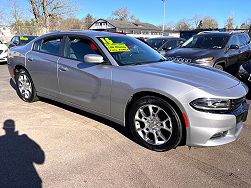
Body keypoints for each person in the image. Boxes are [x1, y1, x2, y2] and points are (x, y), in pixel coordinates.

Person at [0, 119, 45, 188]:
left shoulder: (1, 143)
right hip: (28, 182)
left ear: (4, 129)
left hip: (6, 183)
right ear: (14, 128)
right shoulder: (24, 140)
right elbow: (40, 159)